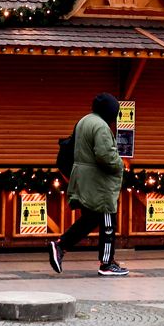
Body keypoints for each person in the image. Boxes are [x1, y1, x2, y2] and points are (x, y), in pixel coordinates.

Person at [48, 92, 128, 276]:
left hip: (84, 179)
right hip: (99, 183)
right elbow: (105, 155)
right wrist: (119, 164)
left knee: (90, 219)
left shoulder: (84, 120)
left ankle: (60, 247)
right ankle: (107, 263)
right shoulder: (101, 126)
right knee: (108, 221)